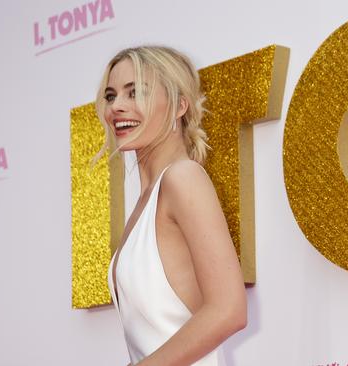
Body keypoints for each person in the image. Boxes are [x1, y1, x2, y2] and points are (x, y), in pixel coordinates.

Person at [95, 46, 247, 366]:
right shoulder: (145, 200)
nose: (117, 107)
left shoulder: (183, 178)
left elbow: (229, 309)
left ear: (180, 105)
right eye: (111, 96)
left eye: (136, 92)